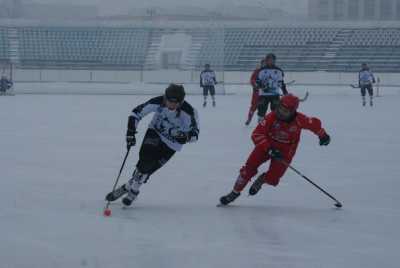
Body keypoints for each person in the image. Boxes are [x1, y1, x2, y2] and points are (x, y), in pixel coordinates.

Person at [219, 94, 331, 205]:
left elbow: (314, 124)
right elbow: (256, 134)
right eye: (280, 108)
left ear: (293, 112)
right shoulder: (271, 117)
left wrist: (323, 135)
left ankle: (263, 179)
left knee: (274, 178)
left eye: (285, 111)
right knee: (248, 169)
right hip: (266, 145)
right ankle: (234, 192)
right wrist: (269, 148)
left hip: (286, 151)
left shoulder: (300, 120)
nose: (281, 112)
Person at [106, 84, 200, 206]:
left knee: (149, 170)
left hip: (172, 145)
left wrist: (185, 137)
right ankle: (133, 190)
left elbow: (195, 135)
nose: (170, 105)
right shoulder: (159, 101)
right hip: (155, 132)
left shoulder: (189, 112)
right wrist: (130, 132)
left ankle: (129, 187)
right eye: (168, 101)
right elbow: (136, 113)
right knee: (145, 162)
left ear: (181, 102)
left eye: (174, 103)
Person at [255, 53, 288, 122]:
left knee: (276, 111)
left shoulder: (278, 70)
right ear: (266, 60)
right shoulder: (262, 70)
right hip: (263, 95)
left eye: (272, 60)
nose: (270, 61)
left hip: (275, 95)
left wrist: (285, 92)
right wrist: (261, 86)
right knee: (261, 110)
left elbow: (281, 82)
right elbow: (257, 80)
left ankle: (275, 125)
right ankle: (261, 124)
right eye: (269, 60)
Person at [245, 59, 265, 126]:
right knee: (254, 106)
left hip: (265, 93)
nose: (264, 65)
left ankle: (260, 121)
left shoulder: (269, 71)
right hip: (257, 92)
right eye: (263, 63)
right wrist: (255, 85)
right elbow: (252, 80)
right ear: (261, 64)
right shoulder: (257, 71)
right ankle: (249, 119)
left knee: (262, 107)